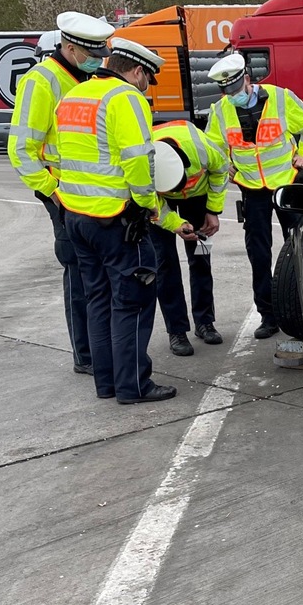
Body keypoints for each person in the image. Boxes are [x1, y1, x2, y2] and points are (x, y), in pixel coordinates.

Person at [55, 39, 197, 404]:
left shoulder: (75, 96)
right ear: (136, 71)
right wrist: (152, 210)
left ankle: (107, 383)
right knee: (132, 302)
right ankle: (134, 385)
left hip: (77, 218)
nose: (146, 86)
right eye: (147, 78)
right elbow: (138, 162)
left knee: (98, 301)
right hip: (116, 221)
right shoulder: (125, 98)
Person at [8, 12, 114, 376]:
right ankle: (85, 355)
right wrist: (52, 193)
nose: (99, 59)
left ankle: (100, 347)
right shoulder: (43, 81)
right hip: (63, 196)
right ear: (69, 47)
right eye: (92, 52)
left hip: (94, 193)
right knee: (79, 273)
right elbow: (21, 149)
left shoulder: (87, 76)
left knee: (100, 275)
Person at [206, 52, 303, 339]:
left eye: (235, 89)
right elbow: (213, 145)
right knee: (258, 253)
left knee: (301, 247)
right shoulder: (220, 110)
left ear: (247, 79)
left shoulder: (280, 98)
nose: (232, 96)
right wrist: (224, 164)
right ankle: (268, 315)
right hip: (253, 188)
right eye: (226, 91)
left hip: (288, 182)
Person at [151, 120, 231, 355]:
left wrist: (213, 211)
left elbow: (221, 171)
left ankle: (205, 322)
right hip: (157, 204)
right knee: (164, 264)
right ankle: (176, 331)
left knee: (201, 258)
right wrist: (174, 224)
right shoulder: (144, 163)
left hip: (198, 199)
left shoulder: (203, 149)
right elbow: (150, 204)